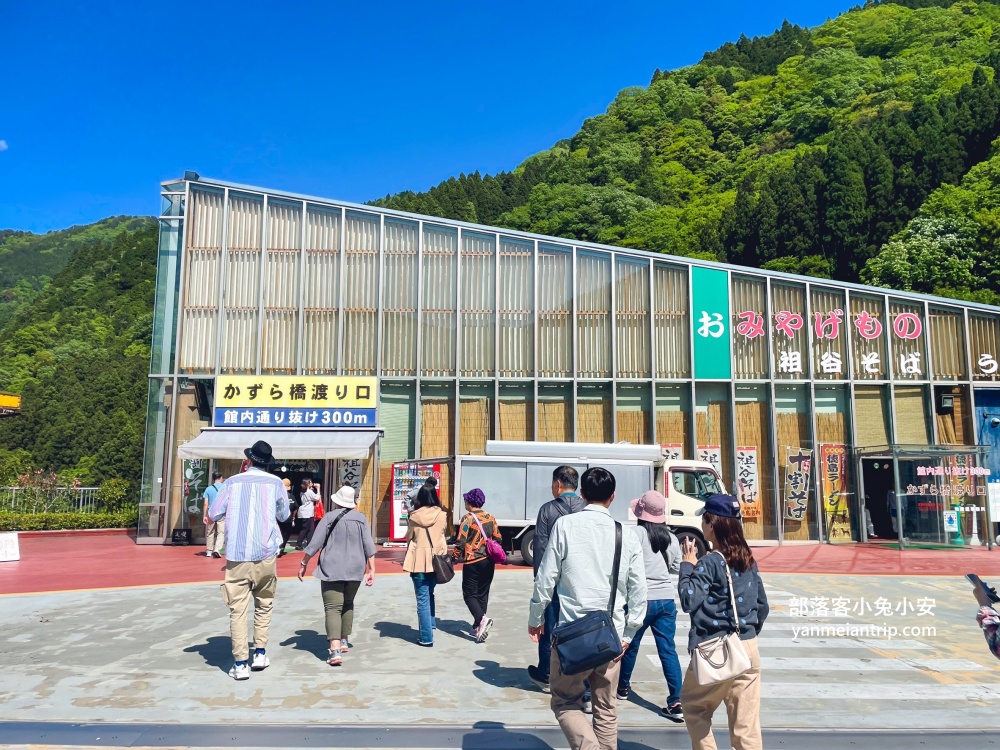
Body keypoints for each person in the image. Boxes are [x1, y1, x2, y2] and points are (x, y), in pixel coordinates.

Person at [528, 467, 647, 750]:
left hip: (571, 635)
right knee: (606, 711)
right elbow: (639, 592)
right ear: (613, 496)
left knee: (565, 702)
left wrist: (536, 617)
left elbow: (546, 579)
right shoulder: (626, 534)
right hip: (612, 636)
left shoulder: (565, 526)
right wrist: (629, 634)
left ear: (582, 494)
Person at [678, 494, 769, 750]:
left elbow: (689, 600)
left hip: (715, 648)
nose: (703, 525)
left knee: (694, 706)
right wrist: (748, 632)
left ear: (712, 523)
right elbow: (762, 605)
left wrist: (687, 566)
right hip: (748, 646)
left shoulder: (710, 562)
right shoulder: (748, 558)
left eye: (705, 520)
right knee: (746, 724)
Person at [207, 440, 290, 681]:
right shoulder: (275, 483)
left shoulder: (231, 483)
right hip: (266, 554)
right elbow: (284, 515)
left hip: (237, 555)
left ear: (249, 461)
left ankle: (241, 663)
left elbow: (213, 514)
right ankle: (260, 653)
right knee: (264, 604)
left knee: (238, 610)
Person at [617, 490, 685, 722]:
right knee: (668, 649)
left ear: (641, 513)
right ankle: (676, 700)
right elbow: (676, 567)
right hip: (666, 600)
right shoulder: (672, 538)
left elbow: (623, 564)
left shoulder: (632, 533)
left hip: (640, 599)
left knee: (630, 645)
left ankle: (622, 687)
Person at [298, 485, 376, 666]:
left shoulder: (329, 517)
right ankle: (343, 639)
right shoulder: (361, 519)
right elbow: (369, 546)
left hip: (332, 567)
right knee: (348, 603)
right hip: (356, 567)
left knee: (333, 607)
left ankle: (334, 650)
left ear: (337, 500)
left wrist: (304, 563)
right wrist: (372, 569)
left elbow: (315, 543)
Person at [527, 465, 587, 694]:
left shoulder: (547, 510)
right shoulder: (586, 509)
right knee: (581, 627)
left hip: (553, 579)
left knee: (548, 627)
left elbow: (541, 549)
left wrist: (539, 581)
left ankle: (546, 673)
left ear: (558, 485)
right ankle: (580, 676)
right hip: (581, 579)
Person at [453, 487, 503, 642]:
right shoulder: (490, 517)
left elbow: (461, 540)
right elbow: (498, 537)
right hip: (489, 561)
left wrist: (454, 557)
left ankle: (482, 619)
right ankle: (478, 626)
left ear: (470, 502)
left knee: (469, 594)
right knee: (482, 593)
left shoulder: (467, 518)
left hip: (473, 561)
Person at [402, 485, 447, 646]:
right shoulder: (442, 515)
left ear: (419, 498)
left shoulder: (414, 516)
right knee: (430, 593)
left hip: (419, 562)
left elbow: (410, 537)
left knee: (422, 599)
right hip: (436, 561)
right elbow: (442, 535)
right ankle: (431, 623)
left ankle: (426, 638)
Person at [202, 471, 225, 559]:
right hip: (222, 513)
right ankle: (217, 549)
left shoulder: (208, 489)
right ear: (221, 478)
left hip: (211, 513)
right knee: (221, 532)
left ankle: (209, 551)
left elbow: (205, 504)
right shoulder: (225, 488)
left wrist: (204, 515)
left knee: (210, 532)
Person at [295, 479, 320, 550]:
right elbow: (317, 498)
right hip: (307, 513)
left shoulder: (303, 491)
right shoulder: (309, 492)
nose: (312, 483)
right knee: (305, 529)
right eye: (311, 482)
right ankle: (298, 544)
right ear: (308, 484)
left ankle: (309, 544)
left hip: (305, 512)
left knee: (310, 529)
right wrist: (318, 489)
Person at [277, 478, 295, 557]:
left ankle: (279, 548)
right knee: (286, 534)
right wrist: (294, 517)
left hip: (278, 518)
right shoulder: (291, 496)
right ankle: (281, 547)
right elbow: (296, 507)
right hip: (288, 518)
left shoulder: (277, 495)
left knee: (279, 533)